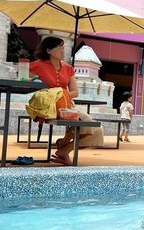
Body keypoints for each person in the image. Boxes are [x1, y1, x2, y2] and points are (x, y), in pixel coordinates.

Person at [29, 36, 103, 165]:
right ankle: (64, 145)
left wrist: (60, 94)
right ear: (49, 50)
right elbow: (25, 81)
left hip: (66, 107)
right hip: (47, 108)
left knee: (97, 129)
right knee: (87, 122)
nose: (64, 51)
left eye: (64, 48)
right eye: (60, 48)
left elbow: (75, 92)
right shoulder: (36, 66)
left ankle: (64, 147)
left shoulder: (68, 68)